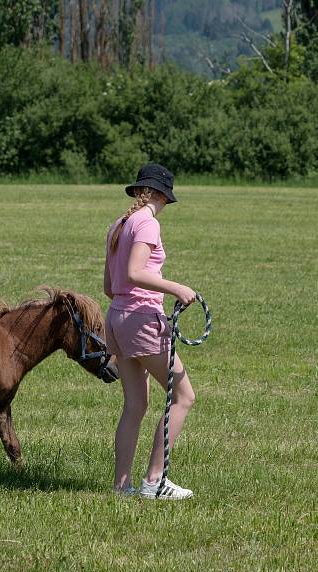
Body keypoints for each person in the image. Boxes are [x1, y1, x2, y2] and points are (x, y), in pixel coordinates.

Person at [104, 164, 198, 500]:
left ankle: (121, 487)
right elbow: (133, 272)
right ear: (161, 195)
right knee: (184, 397)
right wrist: (177, 288)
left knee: (135, 405)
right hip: (139, 319)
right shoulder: (147, 223)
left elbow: (110, 287)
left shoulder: (120, 224)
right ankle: (154, 481)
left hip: (116, 318)